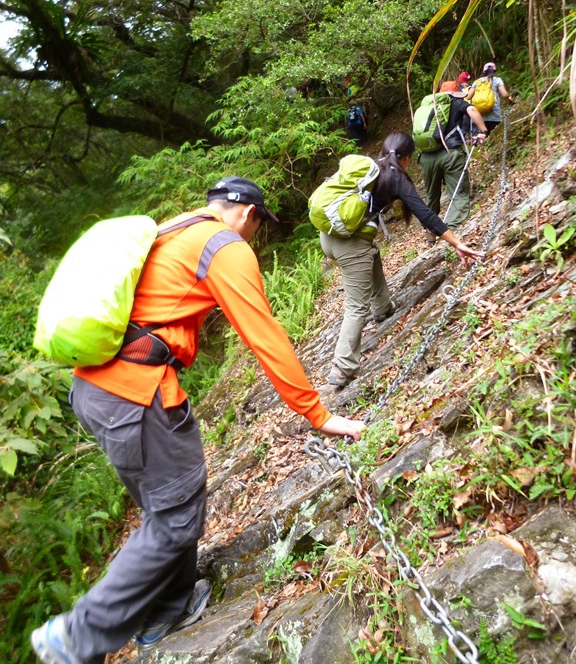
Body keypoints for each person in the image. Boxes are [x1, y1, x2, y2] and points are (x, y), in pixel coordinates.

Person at [30, 176, 364, 664]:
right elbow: (264, 334)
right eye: (257, 227)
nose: (254, 236)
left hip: (97, 389)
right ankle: (77, 636)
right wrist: (318, 413)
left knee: (171, 501)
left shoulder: (173, 231)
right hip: (134, 393)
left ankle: (168, 608)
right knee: (174, 514)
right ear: (248, 215)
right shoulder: (224, 246)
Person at [318, 133, 483, 389]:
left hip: (329, 235)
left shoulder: (371, 167)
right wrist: (457, 242)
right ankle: (342, 368)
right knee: (355, 306)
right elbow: (425, 214)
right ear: (406, 157)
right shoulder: (395, 176)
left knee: (370, 252)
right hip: (348, 243)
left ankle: (382, 308)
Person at [419, 90, 489, 238]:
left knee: (432, 195)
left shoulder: (428, 106)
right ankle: (451, 232)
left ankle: (430, 230)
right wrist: (483, 130)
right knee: (458, 194)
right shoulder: (455, 103)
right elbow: (471, 109)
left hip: (426, 157)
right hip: (450, 155)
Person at [466, 62, 513, 132]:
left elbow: (469, 97)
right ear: (494, 70)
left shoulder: (477, 82)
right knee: (493, 137)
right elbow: (504, 95)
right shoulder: (497, 80)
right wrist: (509, 101)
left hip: (479, 115)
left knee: (480, 138)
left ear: (483, 71)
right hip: (494, 115)